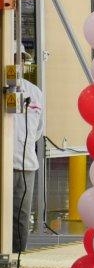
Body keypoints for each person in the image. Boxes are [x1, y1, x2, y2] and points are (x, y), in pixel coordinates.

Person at [11, 48, 45, 253]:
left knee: (21, 218)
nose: (19, 64)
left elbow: (39, 130)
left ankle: (18, 260)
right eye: (14, 59)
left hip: (26, 166)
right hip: (4, 164)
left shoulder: (34, 92)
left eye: (21, 60)